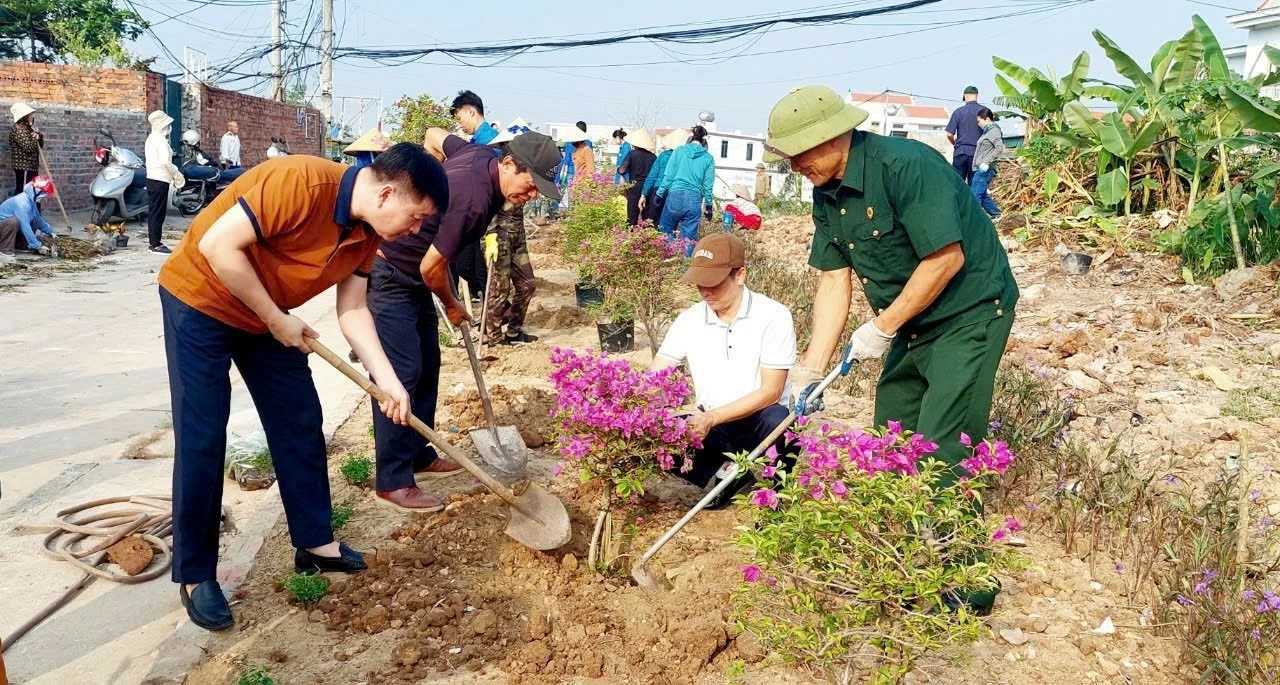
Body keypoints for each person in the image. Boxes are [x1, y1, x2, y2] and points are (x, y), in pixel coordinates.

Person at [156, 143, 450, 632]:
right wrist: (275, 318)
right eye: (416, 217)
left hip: (266, 313)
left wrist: (389, 382)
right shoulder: (300, 182)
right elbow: (217, 246)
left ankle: (315, 543)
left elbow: (353, 310)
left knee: (299, 419)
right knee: (202, 433)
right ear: (386, 195)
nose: (417, 230)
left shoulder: (366, 235)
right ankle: (195, 573)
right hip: (201, 300)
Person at [764, 85, 1018, 615]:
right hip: (912, 321)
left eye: (801, 153)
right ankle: (900, 562)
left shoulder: (906, 166)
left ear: (834, 135)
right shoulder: (826, 192)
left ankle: (966, 586)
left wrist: (881, 327)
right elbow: (833, 281)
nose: (795, 167)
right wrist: (811, 368)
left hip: (970, 312)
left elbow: (945, 260)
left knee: (943, 444)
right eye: (788, 158)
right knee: (892, 433)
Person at [373, 129, 562, 512]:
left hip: (413, 276)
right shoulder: (472, 200)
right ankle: (392, 480)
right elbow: (431, 268)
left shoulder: (478, 154)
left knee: (428, 365)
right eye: (530, 185)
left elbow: (433, 136)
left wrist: (428, 183)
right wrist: (453, 304)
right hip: (389, 271)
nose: (532, 196)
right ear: (508, 164)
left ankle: (418, 454)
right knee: (401, 373)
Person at [651, 233, 797, 509]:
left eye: (714, 283)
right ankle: (729, 471)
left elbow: (772, 390)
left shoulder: (773, 316)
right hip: (712, 422)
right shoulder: (690, 319)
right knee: (656, 437)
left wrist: (712, 418)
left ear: (740, 275)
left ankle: (778, 494)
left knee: (781, 422)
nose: (705, 291)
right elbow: (656, 375)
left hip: (757, 418)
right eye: (700, 284)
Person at [481, 119, 539, 346]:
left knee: (527, 284)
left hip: (517, 237)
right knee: (499, 289)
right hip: (497, 236)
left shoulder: (523, 172)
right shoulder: (497, 173)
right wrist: (490, 237)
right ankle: (494, 339)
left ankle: (514, 330)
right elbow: (487, 208)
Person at [656, 125, 715, 256]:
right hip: (694, 199)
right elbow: (708, 185)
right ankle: (685, 263)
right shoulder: (708, 158)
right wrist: (709, 206)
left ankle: (668, 258)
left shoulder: (679, 151)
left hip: (675, 195)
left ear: (689, 139)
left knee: (665, 230)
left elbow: (669, 175)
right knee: (689, 238)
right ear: (704, 142)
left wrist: (659, 193)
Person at [145, 110, 184, 255]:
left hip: (152, 178)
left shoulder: (151, 138)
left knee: (154, 211)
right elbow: (165, 162)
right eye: (167, 125)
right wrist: (176, 174)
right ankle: (155, 244)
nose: (169, 128)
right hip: (159, 179)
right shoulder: (160, 140)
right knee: (157, 213)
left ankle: (154, 242)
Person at [0, 176, 57, 256]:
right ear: (36, 191)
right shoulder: (21, 203)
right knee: (13, 221)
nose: (44, 197)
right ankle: (5, 249)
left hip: (11, 230)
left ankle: (21, 245)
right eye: (43, 194)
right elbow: (25, 226)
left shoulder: (31, 201)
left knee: (35, 220)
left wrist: (50, 232)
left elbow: (38, 219)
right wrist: (37, 246)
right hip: (3, 230)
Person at [638, 129, 683, 223]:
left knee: (652, 222)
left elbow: (652, 176)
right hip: (675, 192)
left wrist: (644, 194)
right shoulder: (685, 158)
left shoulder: (663, 155)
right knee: (669, 224)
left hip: (658, 190)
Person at [945, 86, 985, 184]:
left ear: (965, 96)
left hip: (960, 152)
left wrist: (955, 144)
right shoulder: (984, 112)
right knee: (974, 185)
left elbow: (949, 134)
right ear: (977, 96)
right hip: (977, 153)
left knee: (957, 184)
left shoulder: (958, 112)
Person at [618, 128, 657, 225]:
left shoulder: (632, 154)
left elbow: (622, 170)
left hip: (634, 187)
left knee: (632, 217)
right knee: (647, 217)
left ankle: (630, 232)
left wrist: (618, 168)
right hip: (648, 188)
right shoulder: (653, 157)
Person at [970, 108, 1004, 218]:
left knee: (975, 195)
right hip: (981, 168)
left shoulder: (994, 131)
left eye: (980, 121)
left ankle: (975, 219)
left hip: (985, 169)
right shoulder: (987, 132)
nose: (978, 124)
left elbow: (999, 147)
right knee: (982, 194)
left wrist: (987, 162)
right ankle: (997, 214)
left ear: (987, 119)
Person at [8, 103, 42, 197]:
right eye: (30, 115)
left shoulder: (28, 129)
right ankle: (18, 207)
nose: (32, 117)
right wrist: (35, 138)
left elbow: (39, 144)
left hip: (31, 166)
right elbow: (28, 147)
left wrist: (38, 136)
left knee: (31, 192)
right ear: (24, 117)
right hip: (24, 167)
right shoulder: (18, 129)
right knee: (23, 193)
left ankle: (32, 207)